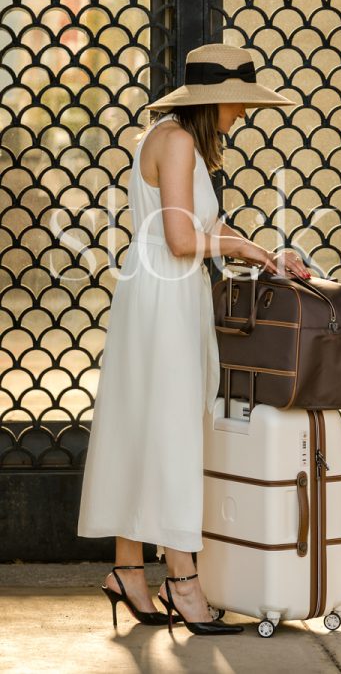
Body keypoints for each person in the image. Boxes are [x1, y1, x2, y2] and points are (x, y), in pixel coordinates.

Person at [77, 42, 313, 635]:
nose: (243, 115)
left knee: (148, 425)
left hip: (160, 291)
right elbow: (185, 242)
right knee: (173, 429)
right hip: (165, 293)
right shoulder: (178, 141)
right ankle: (181, 578)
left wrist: (266, 252)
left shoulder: (167, 136)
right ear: (216, 100)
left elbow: (203, 227)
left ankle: (128, 571)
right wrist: (237, 248)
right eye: (239, 104)